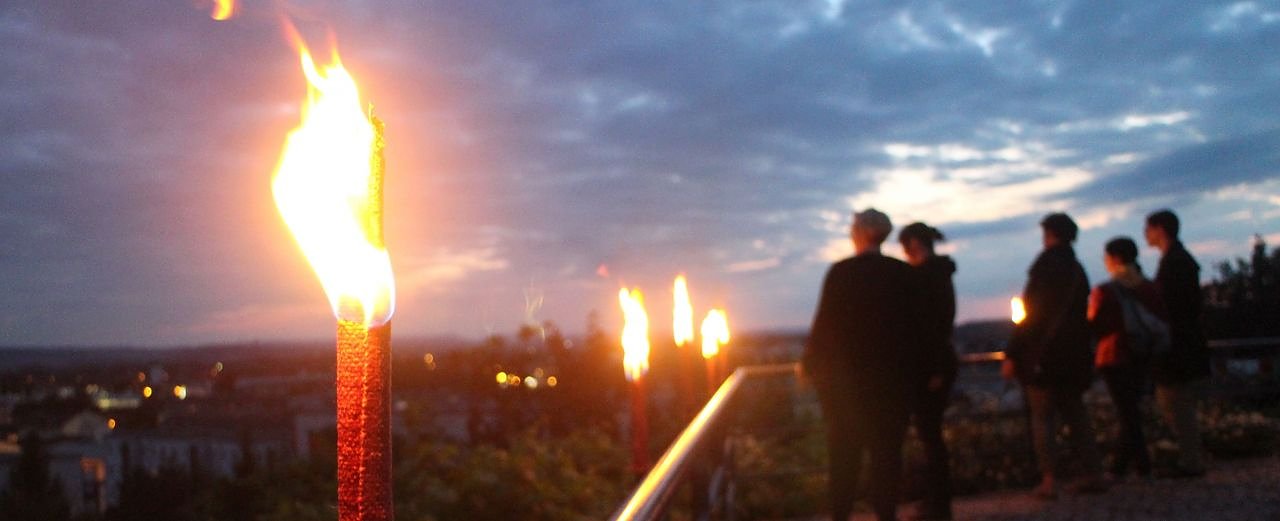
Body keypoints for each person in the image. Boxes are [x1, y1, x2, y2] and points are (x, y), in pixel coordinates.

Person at [803, 208, 923, 521]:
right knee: (887, 457)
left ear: (858, 233)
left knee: (844, 456)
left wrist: (811, 367)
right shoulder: (903, 273)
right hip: (891, 386)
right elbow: (916, 330)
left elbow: (823, 326)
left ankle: (841, 515)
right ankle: (886, 515)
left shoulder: (841, 273)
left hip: (846, 387)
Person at [1002, 213, 1106, 499]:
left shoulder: (1045, 265)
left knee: (1043, 417)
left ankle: (1049, 480)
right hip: (1074, 355)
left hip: (1045, 356)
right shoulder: (1077, 269)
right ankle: (1094, 472)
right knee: (1076, 415)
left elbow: (1032, 314)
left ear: (1049, 234)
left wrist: (1013, 352)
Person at [1088, 237, 1165, 481]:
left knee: (1126, 411)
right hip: (1143, 352)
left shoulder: (1106, 291)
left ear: (1114, 258)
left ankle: (1139, 465)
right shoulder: (1150, 288)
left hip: (1114, 354)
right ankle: (1123, 466)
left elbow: (1094, 324)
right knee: (1130, 409)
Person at [898, 222, 957, 521]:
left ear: (914, 244)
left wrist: (934, 369)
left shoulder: (926, 277)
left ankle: (938, 505)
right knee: (931, 436)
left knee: (930, 437)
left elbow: (932, 326)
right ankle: (936, 502)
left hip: (929, 367)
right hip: (936, 364)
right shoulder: (940, 274)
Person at [1144, 209, 1210, 477]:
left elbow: (1173, 306)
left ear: (1160, 229)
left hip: (1178, 346)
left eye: (1148, 229)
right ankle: (1190, 458)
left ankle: (1191, 462)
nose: (1146, 234)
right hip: (1182, 343)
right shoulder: (1178, 259)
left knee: (1177, 403)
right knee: (1175, 402)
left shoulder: (1175, 262)